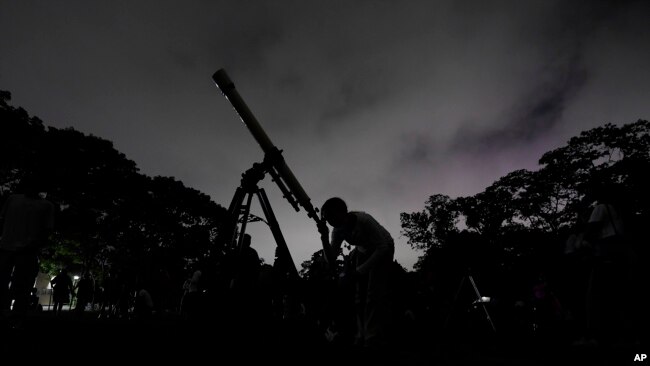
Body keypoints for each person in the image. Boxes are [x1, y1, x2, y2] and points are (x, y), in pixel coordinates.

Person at [320, 197, 395, 350]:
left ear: (342, 212)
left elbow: (382, 247)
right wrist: (324, 236)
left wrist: (360, 271)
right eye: (328, 219)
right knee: (358, 296)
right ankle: (360, 334)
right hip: (362, 250)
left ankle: (371, 337)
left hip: (383, 247)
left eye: (332, 217)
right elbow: (331, 258)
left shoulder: (365, 221)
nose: (331, 222)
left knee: (373, 293)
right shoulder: (337, 230)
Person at [0, 174, 55, 319]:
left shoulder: (45, 205)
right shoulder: (14, 199)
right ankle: (14, 315)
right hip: (12, 247)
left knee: (22, 285)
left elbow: (47, 230)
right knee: (19, 284)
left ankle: (16, 315)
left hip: (22, 248)